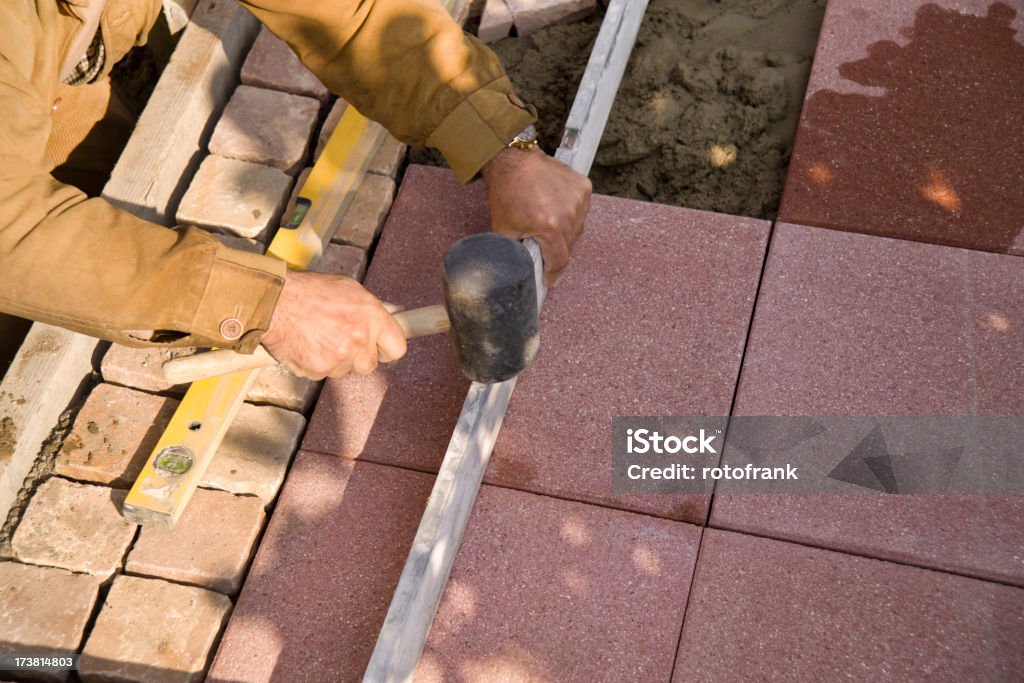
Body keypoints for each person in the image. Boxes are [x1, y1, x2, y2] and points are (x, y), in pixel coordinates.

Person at [0, 0, 591, 379]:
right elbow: (11, 228)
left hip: (56, 74)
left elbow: (353, 13)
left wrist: (502, 144)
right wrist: (266, 304)